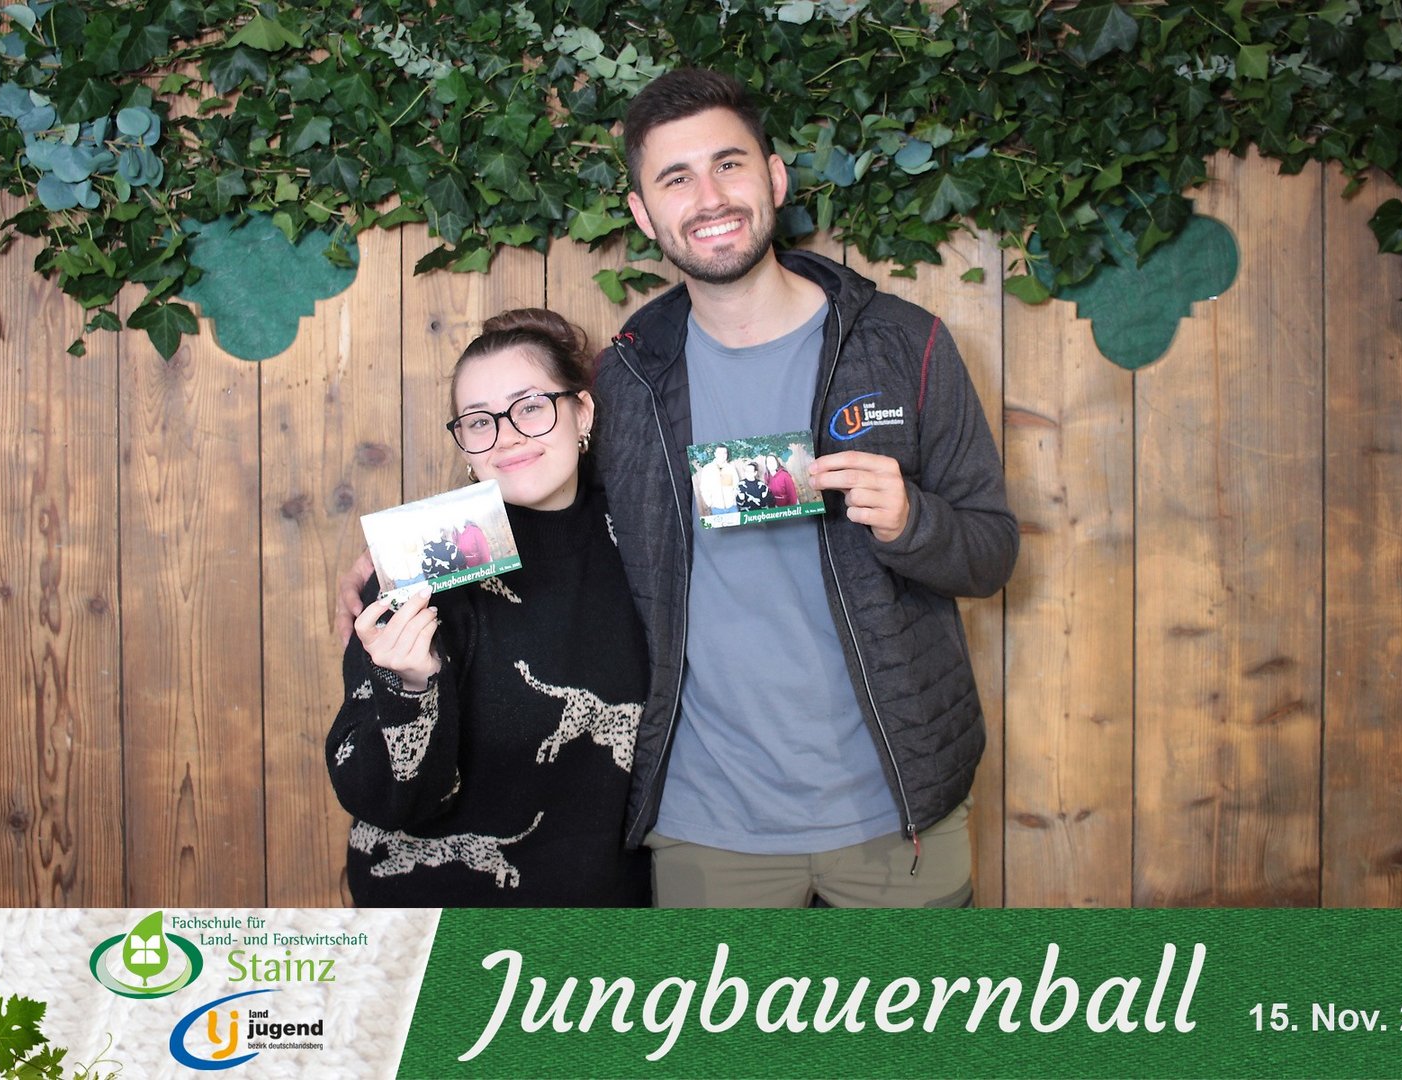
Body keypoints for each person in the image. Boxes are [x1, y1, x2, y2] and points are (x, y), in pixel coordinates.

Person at [594, 68, 1019, 907]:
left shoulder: (904, 343)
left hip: (899, 810)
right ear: (643, 214)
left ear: (775, 178)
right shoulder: (628, 376)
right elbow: (558, 526)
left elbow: (993, 551)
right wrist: (396, 573)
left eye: (729, 164)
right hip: (707, 822)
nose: (709, 197)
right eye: (676, 178)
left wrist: (912, 521)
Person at [327, 309, 650, 907]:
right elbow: (376, 796)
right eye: (480, 421)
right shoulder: (423, 562)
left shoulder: (647, 539)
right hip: (438, 910)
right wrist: (407, 687)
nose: (507, 436)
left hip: (606, 909)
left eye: (531, 406)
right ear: (465, 446)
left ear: (582, 413)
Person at [694, 444, 739, 517]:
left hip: (732, 507)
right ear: (715, 454)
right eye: (719, 453)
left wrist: (733, 499)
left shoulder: (731, 468)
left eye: (724, 453)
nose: (722, 455)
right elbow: (704, 488)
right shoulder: (707, 468)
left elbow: (736, 485)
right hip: (717, 509)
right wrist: (709, 503)